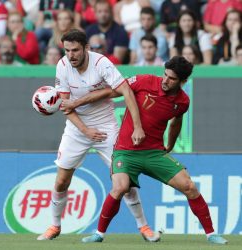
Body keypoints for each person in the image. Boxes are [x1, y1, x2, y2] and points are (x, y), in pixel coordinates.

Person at [62, 56, 228, 245]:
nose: (165, 80)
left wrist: (171, 145)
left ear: (183, 81)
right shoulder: (144, 81)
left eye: (172, 79)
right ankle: (98, 234)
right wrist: (76, 103)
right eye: (165, 75)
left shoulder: (183, 101)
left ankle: (211, 234)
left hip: (154, 153)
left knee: (189, 186)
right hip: (125, 151)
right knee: (120, 188)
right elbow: (110, 92)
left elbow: (176, 122)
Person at [36, 29, 161, 242]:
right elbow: (67, 107)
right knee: (61, 182)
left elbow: (126, 92)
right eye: (67, 50)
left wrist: (138, 126)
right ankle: (55, 226)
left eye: (75, 50)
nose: (71, 55)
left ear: (86, 48)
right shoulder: (63, 66)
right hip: (77, 129)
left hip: (106, 127)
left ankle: (144, 227)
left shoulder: (101, 63)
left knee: (125, 181)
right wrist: (85, 131)